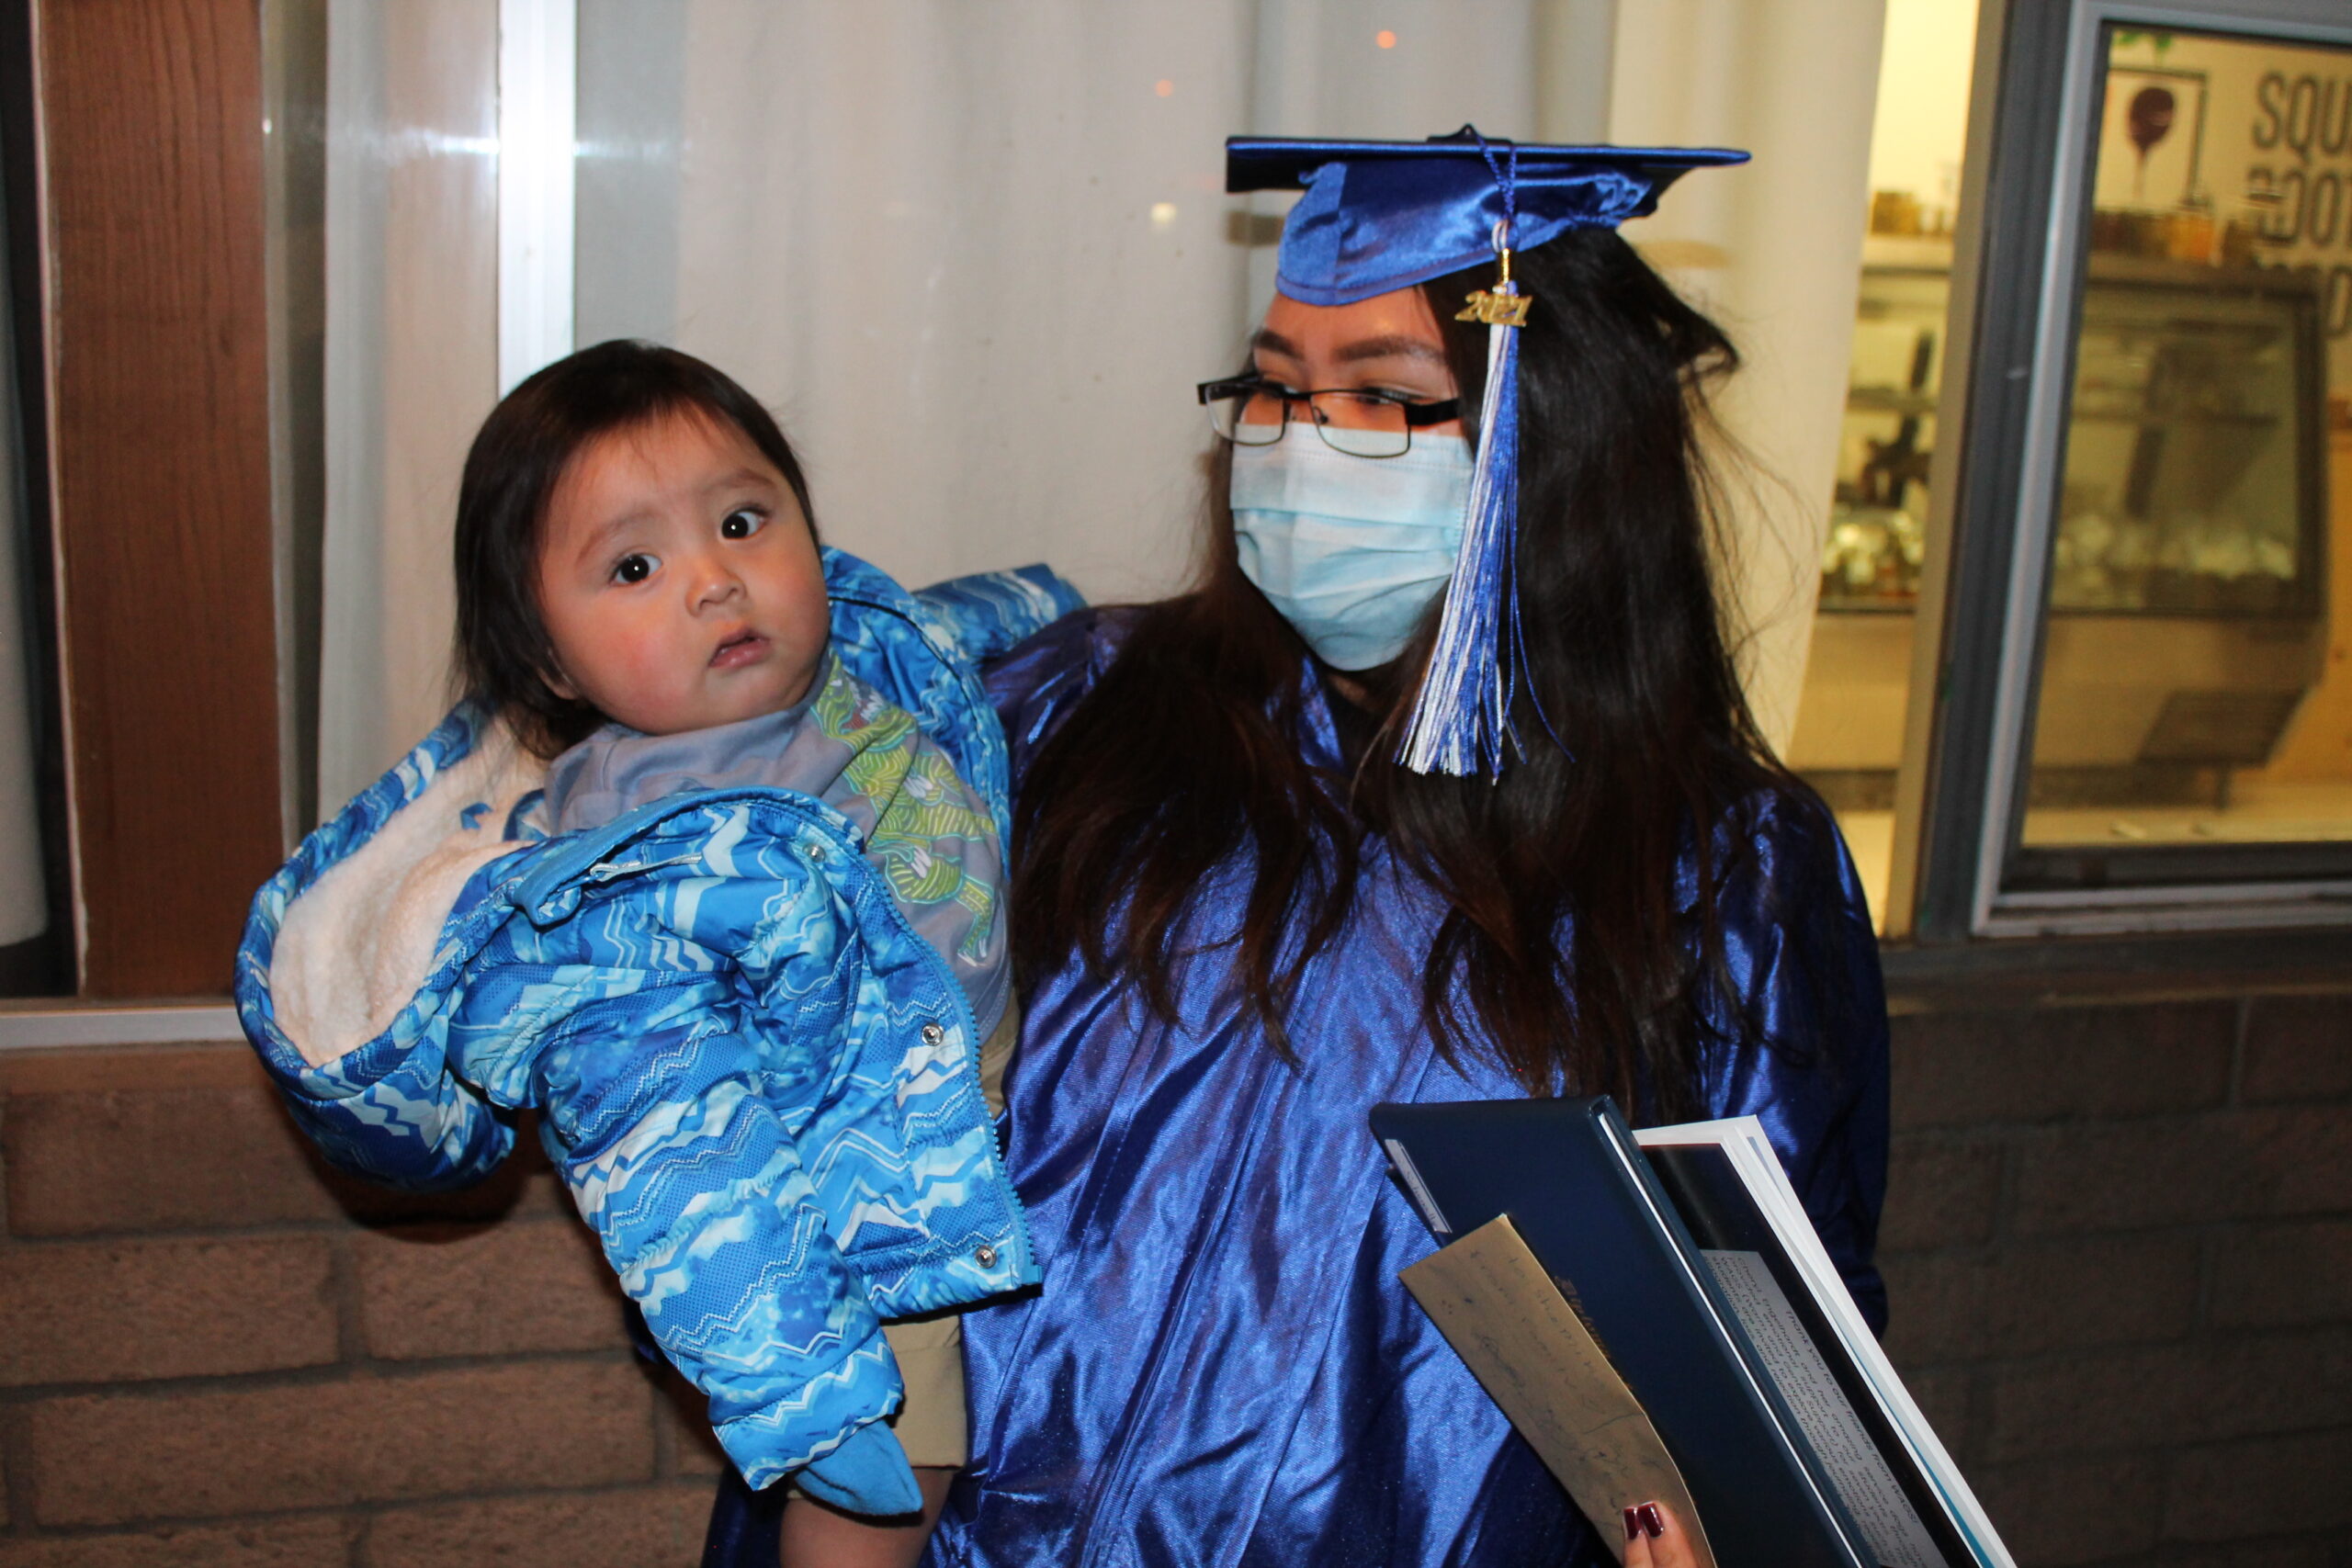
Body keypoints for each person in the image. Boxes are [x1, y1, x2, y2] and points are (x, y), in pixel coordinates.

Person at [916, 131, 1893, 1566]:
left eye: (1386, 398)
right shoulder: (1083, 715)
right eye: (1275, 388)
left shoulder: (1717, 873)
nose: (1304, 445)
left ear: (1548, 447)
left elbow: (1773, 1377)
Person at [235, 342, 1081, 1568]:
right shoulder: (630, 879)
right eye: (634, 565)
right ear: (545, 657)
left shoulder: (869, 663)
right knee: (891, 1482)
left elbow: (956, 625)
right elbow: (681, 1171)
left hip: (988, 1099)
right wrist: (802, 1386)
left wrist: (1059, 600)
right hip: (850, 1200)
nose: (714, 582)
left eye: (744, 521)